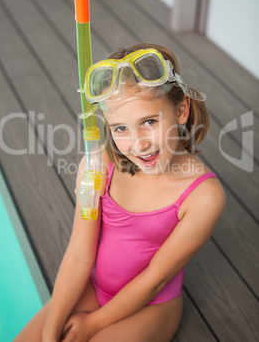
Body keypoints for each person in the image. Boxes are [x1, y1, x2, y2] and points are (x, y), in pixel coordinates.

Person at [15, 42, 225, 342]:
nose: (138, 144)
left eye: (149, 122)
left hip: (152, 306)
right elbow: (78, 254)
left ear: (181, 110)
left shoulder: (204, 196)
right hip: (94, 289)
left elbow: (155, 280)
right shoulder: (98, 164)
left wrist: (93, 324)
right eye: (121, 129)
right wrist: (50, 333)